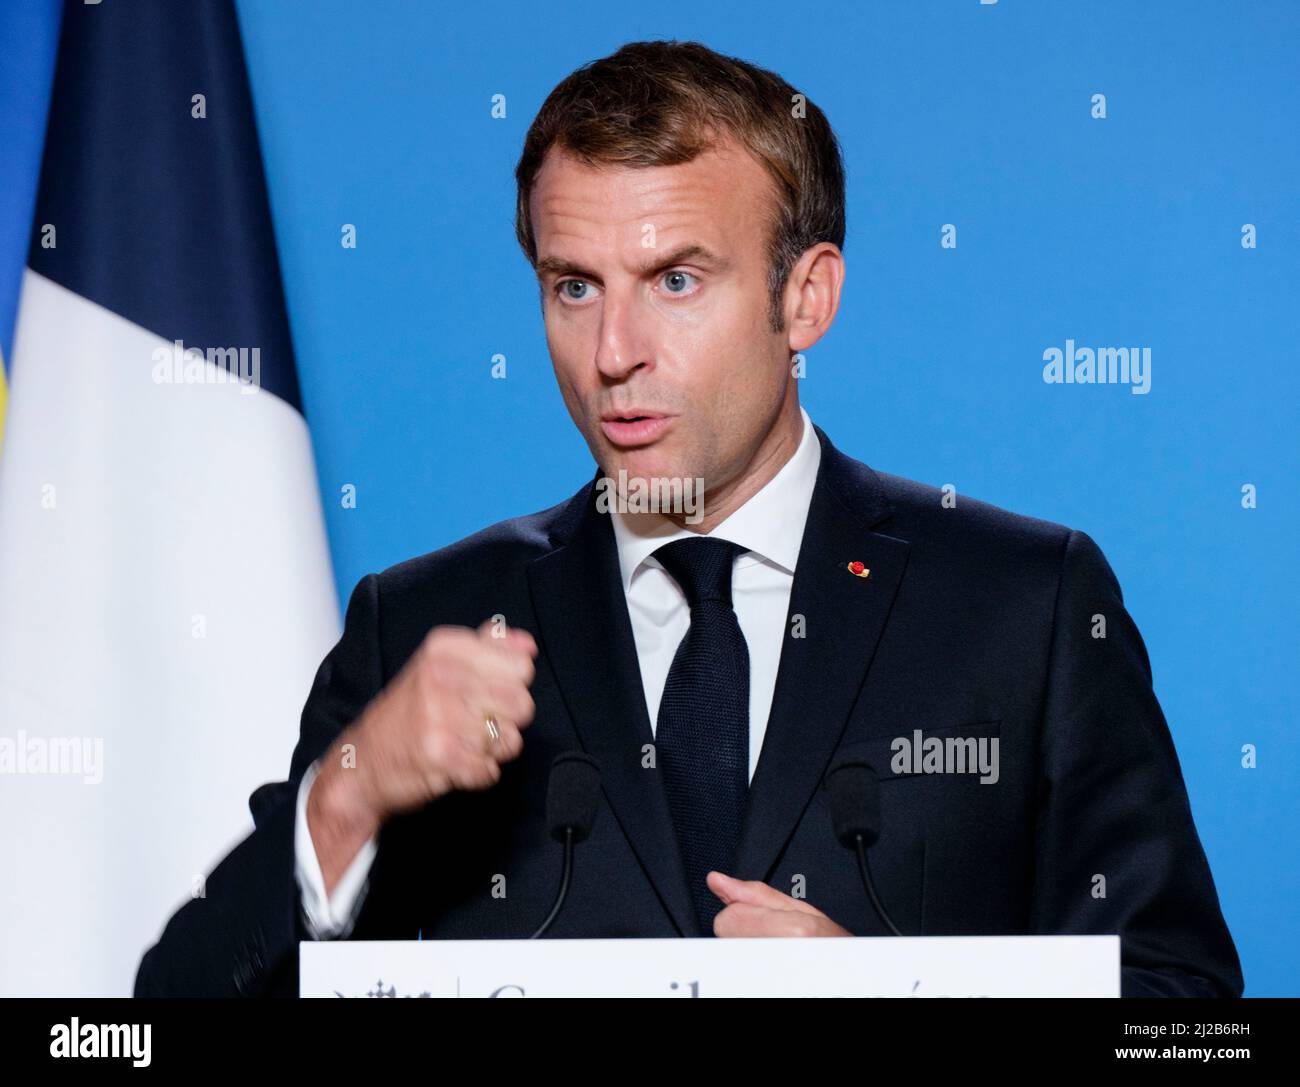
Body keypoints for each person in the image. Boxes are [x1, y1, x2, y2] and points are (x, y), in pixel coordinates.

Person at [134, 40, 1242, 998]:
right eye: (574, 286)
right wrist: (353, 791)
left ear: (804, 298)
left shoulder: (1024, 608)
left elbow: (1179, 1019)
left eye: (674, 280)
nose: (614, 353)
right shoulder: (420, 624)